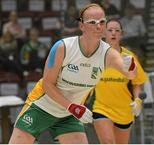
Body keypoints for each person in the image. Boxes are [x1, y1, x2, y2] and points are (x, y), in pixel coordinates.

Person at [9, 3, 137, 144]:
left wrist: (130, 66)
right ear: (81, 26)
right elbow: (47, 84)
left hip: (69, 114)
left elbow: (130, 75)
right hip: (41, 107)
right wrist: (72, 107)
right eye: (92, 22)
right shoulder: (63, 47)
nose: (99, 26)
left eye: (102, 22)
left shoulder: (109, 54)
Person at [83, 19, 147, 144]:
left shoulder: (130, 57)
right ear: (103, 34)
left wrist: (138, 101)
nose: (113, 33)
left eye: (117, 31)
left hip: (124, 110)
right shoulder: (93, 57)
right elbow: (86, 83)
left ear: (121, 34)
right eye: (110, 30)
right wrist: (79, 104)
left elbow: (137, 83)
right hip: (101, 108)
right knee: (108, 142)